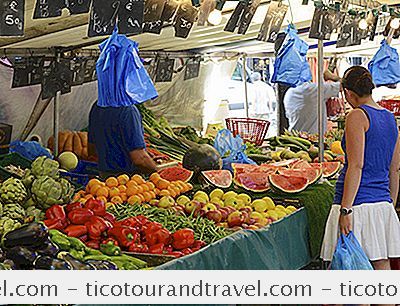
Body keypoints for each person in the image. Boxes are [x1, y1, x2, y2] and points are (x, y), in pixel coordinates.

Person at [321, 66, 400, 271]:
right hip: (382, 203)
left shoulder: (357, 116)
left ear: (348, 92)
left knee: (350, 274)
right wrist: (389, 202)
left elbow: (356, 165)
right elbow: (395, 169)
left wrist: (346, 209)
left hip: (356, 204)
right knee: (382, 268)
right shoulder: (391, 119)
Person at [88, 101, 157, 178]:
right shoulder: (128, 111)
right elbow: (139, 159)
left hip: (104, 178)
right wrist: (156, 171)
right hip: (127, 180)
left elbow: (92, 149)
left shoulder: (97, 105)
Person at [283, 70, 341, 134]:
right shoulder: (312, 89)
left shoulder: (289, 93)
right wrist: (332, 77)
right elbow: (343, 85)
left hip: (295, 137)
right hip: (313, 138)